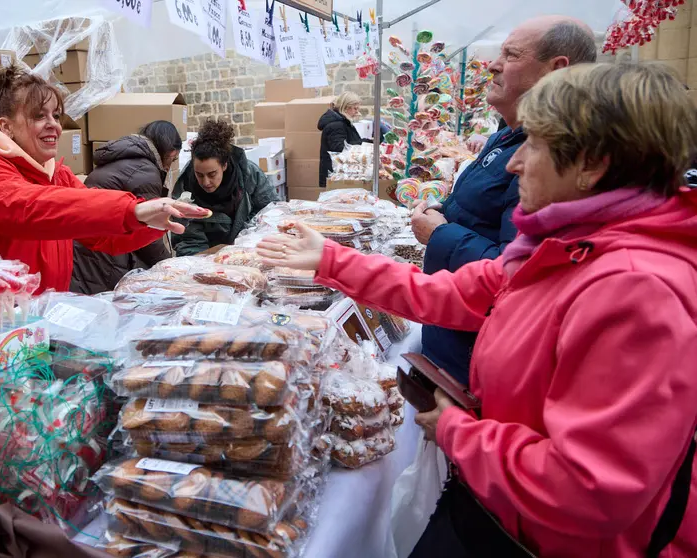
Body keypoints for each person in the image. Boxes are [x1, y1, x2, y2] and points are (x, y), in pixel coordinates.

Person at [257, 62, 697, 557]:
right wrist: (332, 259)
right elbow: (451, 293)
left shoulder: (635, 290)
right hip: (505, 514)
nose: (513, 164)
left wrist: (457, 430)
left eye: (534, 145)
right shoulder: (562, 248)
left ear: (592, 164)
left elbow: (589, 488)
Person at [0, 63, 209, 325]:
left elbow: (100, 235)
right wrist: (130, 210)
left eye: (56, 115)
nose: (54, 125)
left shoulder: (56, 174)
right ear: (5, 127)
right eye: (39, 116)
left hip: (26, 331)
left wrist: (148, 223)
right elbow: (32, 208)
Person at [409, 16, 597, 385]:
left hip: (477, 361)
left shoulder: (553, 163)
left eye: (510, 55)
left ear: (556, 69)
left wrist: (440, 235)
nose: (493, 64)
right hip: (454, 337)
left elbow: (515, 273)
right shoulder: (507, 138)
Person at [70, 121, 182, 294]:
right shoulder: (145, 171)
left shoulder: (122, 158)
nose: (170, 166)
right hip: (105, 256)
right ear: (168, 151)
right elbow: (149, 232)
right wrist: (171, 268)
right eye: (172, 159)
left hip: (86, 248)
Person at [171, 119, 277, 256]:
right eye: (199, 175)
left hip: (252, 252)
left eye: (212, 174)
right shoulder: (185, 194)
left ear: (224, 165)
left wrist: (245, 240)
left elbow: (271, 212)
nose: (206, 182)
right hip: (207, 261)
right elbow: (189, 245)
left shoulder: (249, 175)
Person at [318, 92, 391, 187]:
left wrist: (372, 142)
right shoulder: (336, 125)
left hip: (339, 175)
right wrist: (364, 147)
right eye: (355, 108)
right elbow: (340, 149)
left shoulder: (342, 122)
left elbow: (352, 141)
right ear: (346, 107)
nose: (357, 112)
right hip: (335, 176)